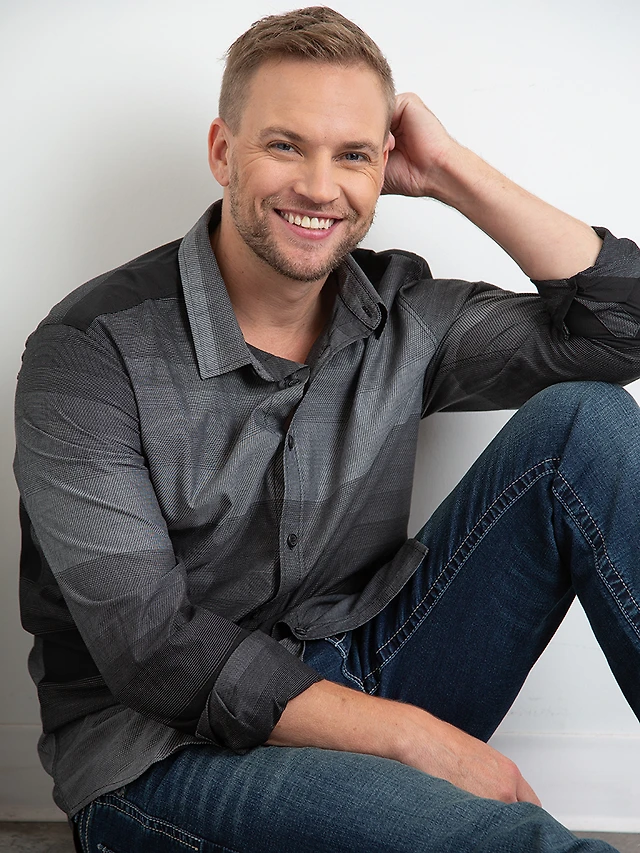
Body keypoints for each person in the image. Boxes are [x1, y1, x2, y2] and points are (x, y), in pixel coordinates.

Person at [14, 6, 640, 852]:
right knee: (507, 841)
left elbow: (619, 331)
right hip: (167, 754)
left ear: (384, 166)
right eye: (285, 145)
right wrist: (416, 737)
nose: (319, 186)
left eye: (352, 155)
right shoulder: (90, 352)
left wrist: (449, 169)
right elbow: (153, 649)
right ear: (222, 152)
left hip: (365, 666)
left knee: (587, 423)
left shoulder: (403, 313)